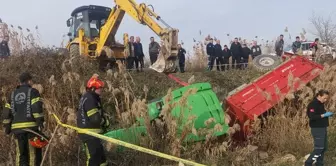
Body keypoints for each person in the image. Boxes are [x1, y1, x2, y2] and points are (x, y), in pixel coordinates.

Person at [2, 72, 45, 166]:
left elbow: (6, 113)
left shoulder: (12, 94)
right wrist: (40, 123)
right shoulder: (33, 92)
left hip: (17, 131)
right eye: (31, 80)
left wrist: (7, 127)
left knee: (21, 155)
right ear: (29, 80)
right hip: (31, 129)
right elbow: (36, 108)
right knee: (33, 155)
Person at [77, 75, 110, 166]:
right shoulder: (90, 98)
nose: (101, 89)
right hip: (89, 133)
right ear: (92, 89)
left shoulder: (89, 97)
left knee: (101, 159)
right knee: (93, 159)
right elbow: (95, 119)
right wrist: (105, 122)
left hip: (92, 133)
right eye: (99, 88)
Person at [305, 90, 333, 166]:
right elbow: (312, 116)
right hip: (317, 129)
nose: (325, 100)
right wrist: (324, 115)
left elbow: (319, 114)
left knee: (323, 148)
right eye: (324, 98)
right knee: (319, 148)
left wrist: (328, 115)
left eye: (327, 98)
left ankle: (319, 163)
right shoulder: (313, 104)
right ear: (319, 96)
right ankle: (308, 163)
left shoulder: (321, 104)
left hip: (323, 128)